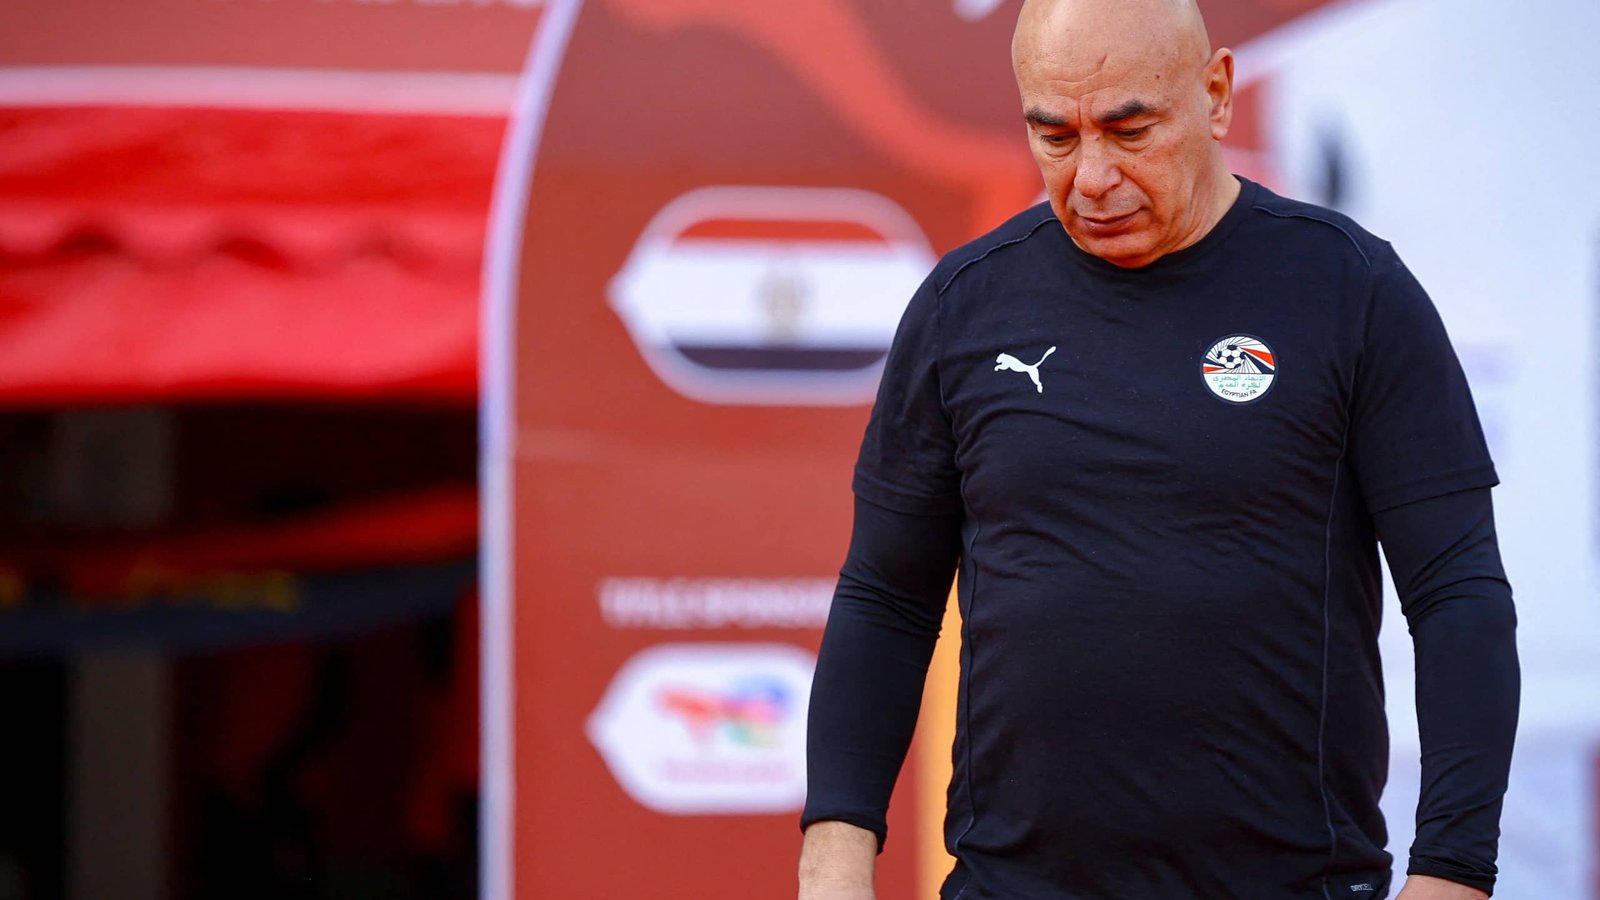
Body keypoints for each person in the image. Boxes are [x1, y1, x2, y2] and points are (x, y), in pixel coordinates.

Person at [796, 0, 1520, 898]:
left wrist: (1452, 871)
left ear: (1215, 94)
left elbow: (1457, 593)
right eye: (1054, 136)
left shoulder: (1351, 292)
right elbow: (886, 598)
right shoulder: (964, 306)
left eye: (1128, 128)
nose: (1092, 175)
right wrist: (834, 850)